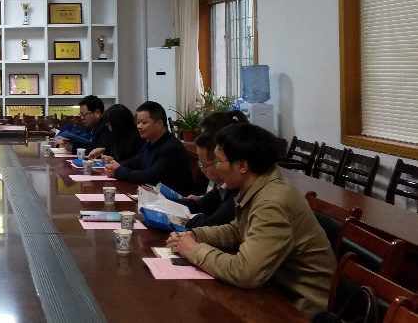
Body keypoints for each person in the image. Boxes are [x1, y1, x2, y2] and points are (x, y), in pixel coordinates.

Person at [166, 123, 337, 318]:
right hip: (273, 288)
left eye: (219, 161)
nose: (217, 167)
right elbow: (237, 230)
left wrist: (194, 250)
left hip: (298, 307)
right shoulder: (259, 186)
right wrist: (195, 235)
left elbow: (245, 272)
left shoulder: (271, 203)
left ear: (242, 166)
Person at [103, 101, 194, 195]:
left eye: (144, 122)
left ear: (159, 123)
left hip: (172, 201)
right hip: (152, 196)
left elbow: (149, 177)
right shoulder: (150, 143)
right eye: (138, 122)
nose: (139, 126)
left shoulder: (171, 148)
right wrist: (112, 167)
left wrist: (118, 170)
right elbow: (135, 161)